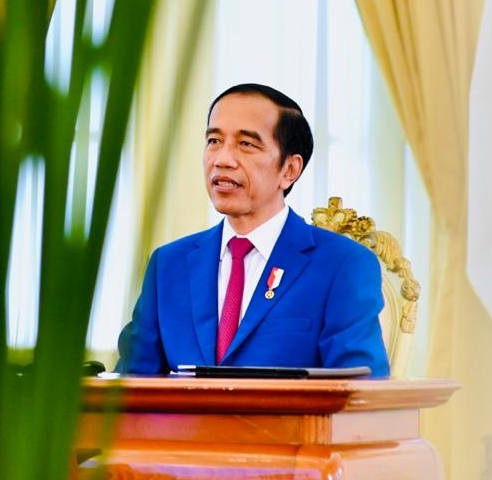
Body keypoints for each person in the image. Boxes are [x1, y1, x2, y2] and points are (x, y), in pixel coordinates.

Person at [116, 83, 389, 377]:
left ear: (289, 170)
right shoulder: (168, 265)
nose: (222, 160)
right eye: (214, 141)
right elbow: (129, 385)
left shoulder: (342, 265)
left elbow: (360, 391)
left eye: (246, 144)